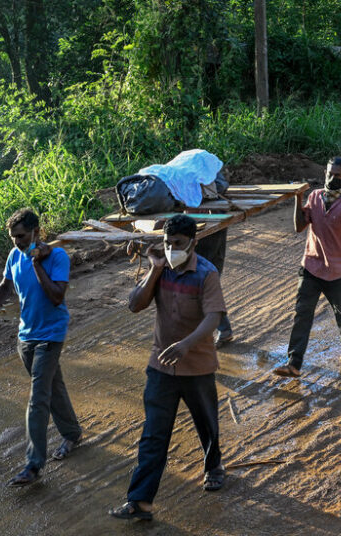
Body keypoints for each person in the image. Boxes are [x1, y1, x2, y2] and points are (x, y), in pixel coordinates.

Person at [110, 214, 227, 522]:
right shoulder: (160, 268)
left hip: (197, 366)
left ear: (194, 242)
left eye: (178, 243)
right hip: (160, 366)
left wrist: (187, 344)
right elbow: (135, 305)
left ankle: (213, 465)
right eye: (167, 242)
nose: (171, 248)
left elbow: (213, 317)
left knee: (207, 424)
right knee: (153, 435)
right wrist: (154, 268)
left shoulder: (206, 274)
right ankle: (140, 501)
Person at [0, 208, 83, 487]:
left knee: (38, 397)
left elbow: (56, 296)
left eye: (22, 236)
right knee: (53, 386)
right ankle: (73, 433)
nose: (17, 242)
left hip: (51, 335)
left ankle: (33, 464)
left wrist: (37, 263)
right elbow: (4, 288)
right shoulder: (14, 256)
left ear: (36, 232)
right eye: (13, 237)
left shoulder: (57, 257)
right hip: (25, 337)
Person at [273, 157, 341, 378]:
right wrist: (298, 198)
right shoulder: (315, 197)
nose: (331, 178)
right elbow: (300, 227)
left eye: (337, 175)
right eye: (329, 173)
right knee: (302, 315)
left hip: (337, 271)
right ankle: (294, 363)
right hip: (311, 266)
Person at [194, 228, 234, 347]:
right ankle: (224, 330)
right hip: (201, 245)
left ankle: (224, 330)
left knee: (205, 290)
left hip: (208, 249)